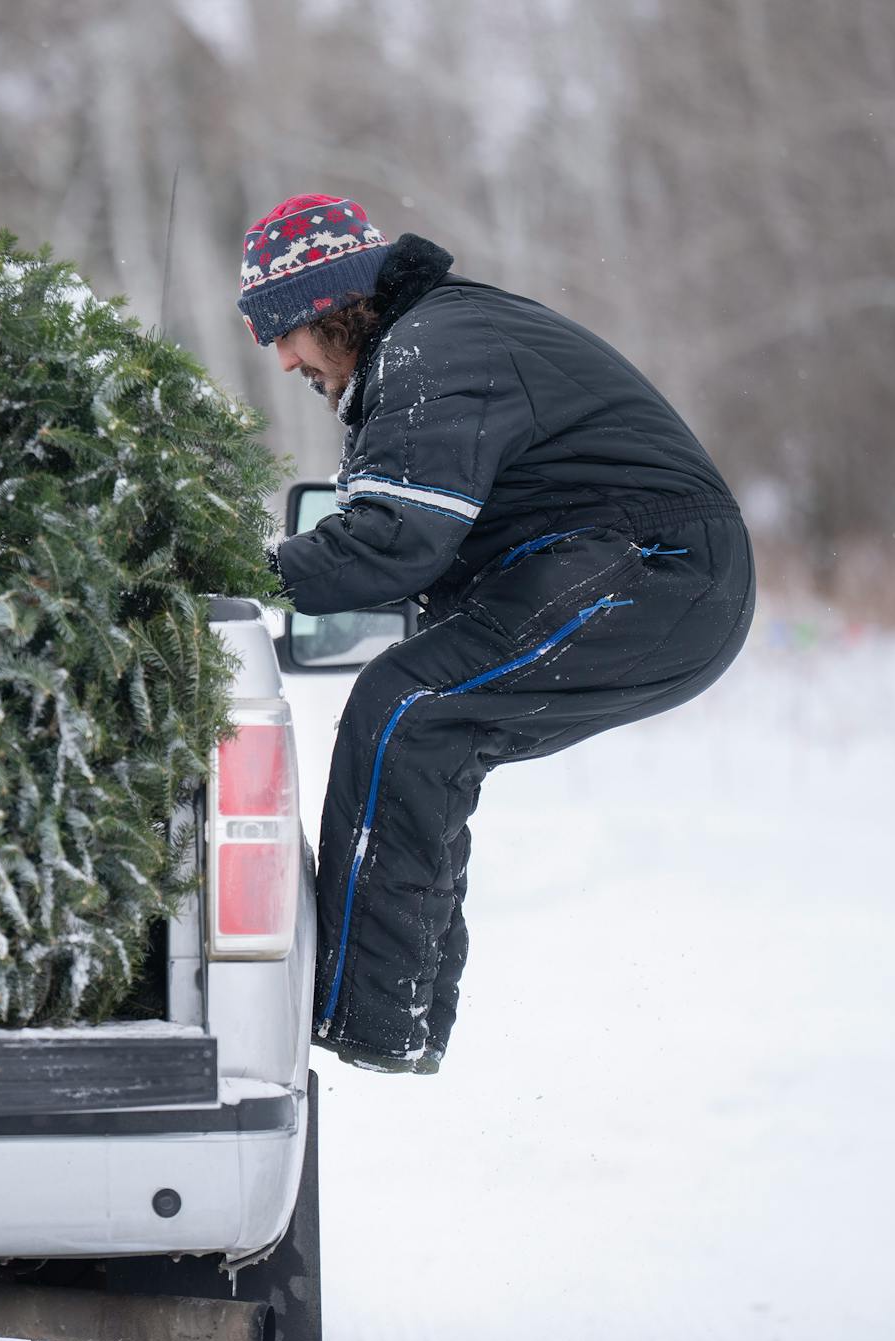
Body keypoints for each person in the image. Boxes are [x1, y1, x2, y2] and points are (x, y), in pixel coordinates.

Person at [239, 194, 754, 1075]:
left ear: (335, 303)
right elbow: (412, 538)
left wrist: (226, 569)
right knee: (424, 723)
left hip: (659, 569)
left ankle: (376, 1017)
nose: (283, 358)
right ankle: (391, 1015)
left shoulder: (434, 346)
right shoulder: (425, 344)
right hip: (624, 566)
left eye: (284, 330)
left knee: (410, 707)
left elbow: (392, 541)